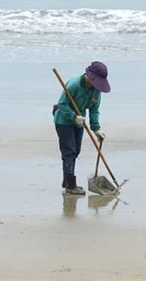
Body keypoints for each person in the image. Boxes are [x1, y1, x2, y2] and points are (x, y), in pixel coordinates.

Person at [53, 61, 110, 195]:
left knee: (76, 151)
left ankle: (66, 179)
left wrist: (96, 129)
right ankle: (70, 185)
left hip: (79, 122)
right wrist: (73, 116)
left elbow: (94, 110)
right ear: (89, 76)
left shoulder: (96, 91)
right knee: (69, 151)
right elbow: (62, 104)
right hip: (63, 120)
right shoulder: (74, 84)